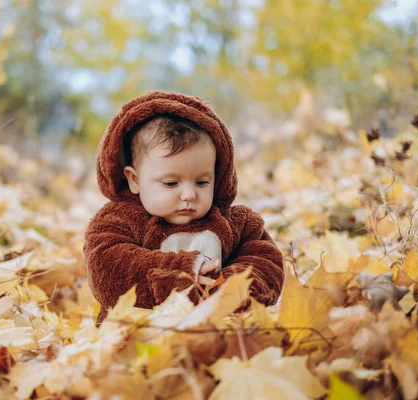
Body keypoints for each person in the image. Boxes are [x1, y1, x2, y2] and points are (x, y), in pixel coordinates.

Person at [84, 91, 284, 326]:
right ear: (134, 180)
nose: (189, 195)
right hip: (139, 337)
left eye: (202, 182)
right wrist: (181, 275)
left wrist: (227, 288)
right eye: (171, 183)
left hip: (220, 335)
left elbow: (267, 263)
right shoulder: (117, 221)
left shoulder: (236, 222)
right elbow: (108, 270)